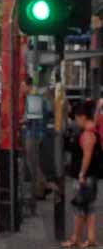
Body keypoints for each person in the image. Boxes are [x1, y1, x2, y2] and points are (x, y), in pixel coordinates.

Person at [63, 100, 101, 248]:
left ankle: (75, 239)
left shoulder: (87, 134)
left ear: (83, 117)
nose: (76, 121)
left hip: (85, 177)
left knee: (78, 209)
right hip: (92, 176)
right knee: (89, 208)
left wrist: (81, 174)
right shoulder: (95, 130)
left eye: (77, 118)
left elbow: (87, 155)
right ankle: (90, 239)